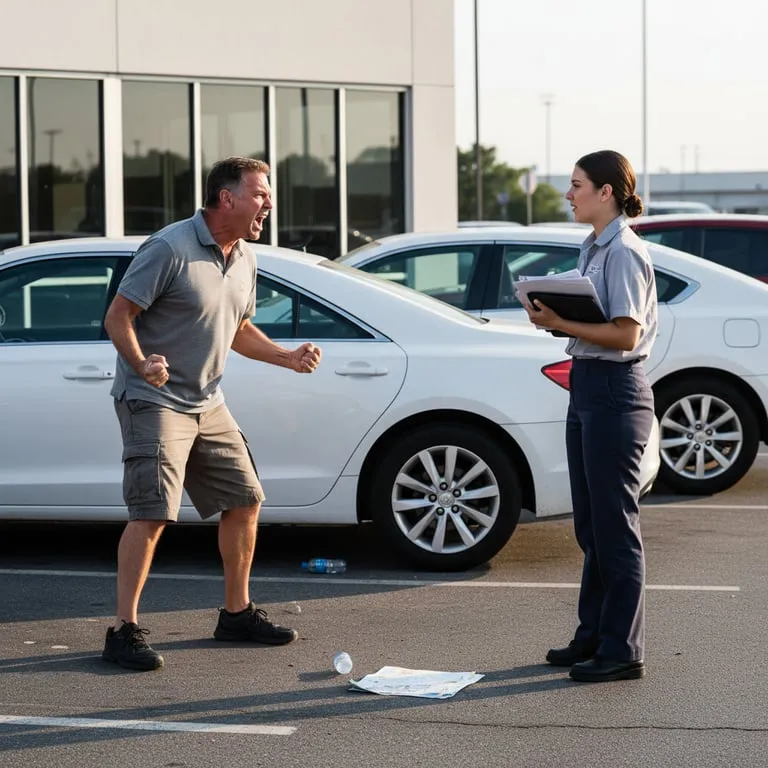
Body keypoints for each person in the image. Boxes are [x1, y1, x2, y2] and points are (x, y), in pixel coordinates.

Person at [101, 156, 322, 672]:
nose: (268, 203)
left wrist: (285, 357)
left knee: (245, 499)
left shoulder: (244, 256)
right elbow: (118, 316)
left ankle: (236, 613)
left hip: (209, 400)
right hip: (153, 400)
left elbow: (239, 327)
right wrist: (141, 361)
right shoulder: (169, 248)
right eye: (260, 194)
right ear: (227, 198)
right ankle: (122, 628)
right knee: (152, 512)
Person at [523, 150, 657, 683]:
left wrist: (560, 319)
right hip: (588, 386)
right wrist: (556, 320)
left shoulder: (623, 250)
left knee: (614, 526)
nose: (569, 194)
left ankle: (622, 650)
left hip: (614, 390)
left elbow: (626, 335)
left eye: (576, 185)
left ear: (606, 192)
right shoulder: (592, 246)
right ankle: (593, 635)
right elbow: (596, 324)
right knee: (591, 527)